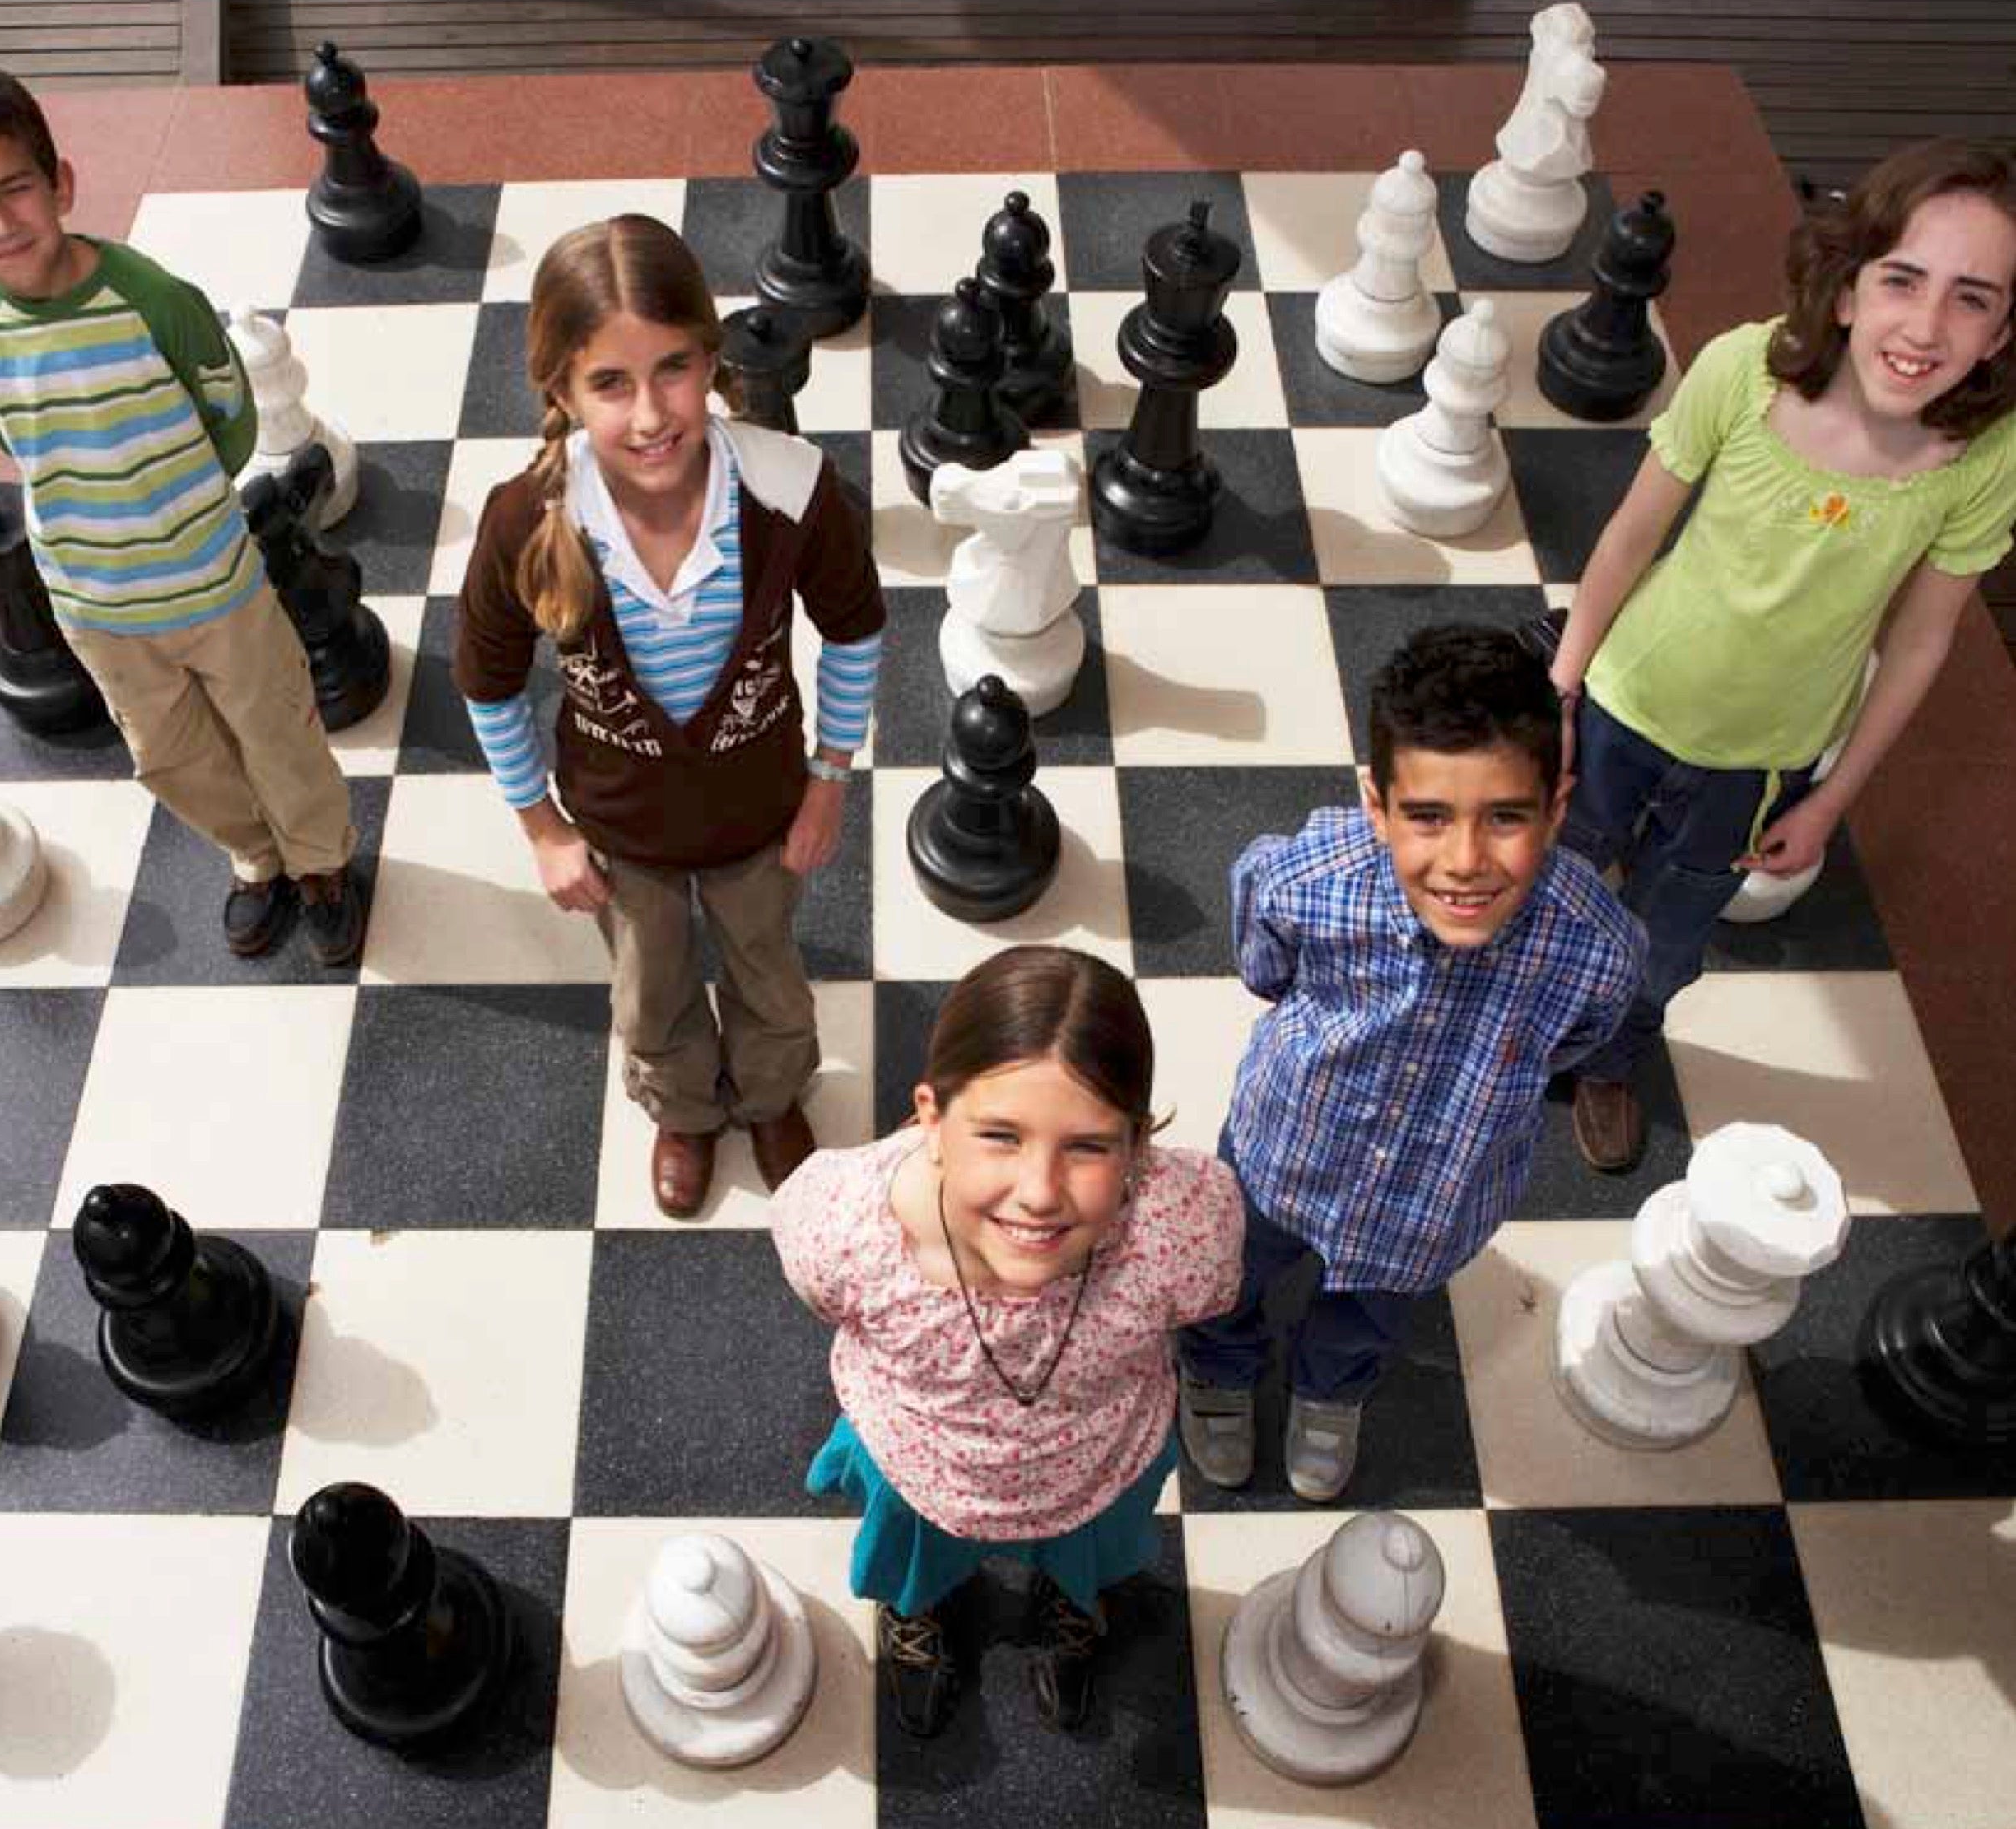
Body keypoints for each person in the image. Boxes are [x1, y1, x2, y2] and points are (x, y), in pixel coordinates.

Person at [1550, 137, 2016, 1172]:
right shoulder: (1740, 371)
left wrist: (1829, 798)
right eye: (1904, 279)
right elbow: (1631, 536)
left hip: (1761, 763)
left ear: (2001, 333)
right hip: (1625, 702)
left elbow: (1922, 639)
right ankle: (1508, 1023)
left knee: (1665, 945)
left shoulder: (1988, 456)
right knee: (1554, 887)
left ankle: (1614, 1054)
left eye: (1972, 298)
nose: (1927, 325)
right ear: (1848, 289)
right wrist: (1565, 681)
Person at [454, 215, 883, 1217]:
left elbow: (855, 631)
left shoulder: (790, 487)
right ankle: (685, 1108)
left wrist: (830, 777)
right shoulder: (526, 517)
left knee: (768, 971)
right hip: (619, 828)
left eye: (674, 369)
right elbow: (488, 681)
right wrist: (541, 825)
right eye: (610, 383)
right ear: (561, 390)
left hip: (763, 805)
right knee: (650, 990)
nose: (651, 414)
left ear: (710, 358)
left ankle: (773, 1093)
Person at [1178, 626, 1643, 1504]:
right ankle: (1215, 1365)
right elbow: (1265, 964)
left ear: (1556, 806)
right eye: (1427, 814)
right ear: (1376, 802)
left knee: (1371, 1312)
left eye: (1506, 815)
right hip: (1285, 1149)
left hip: (1437, 1195)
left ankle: (1331, 1389)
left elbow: (1578, 1040)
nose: (1465, 860)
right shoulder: (1306, 879)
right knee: (1228, 1272)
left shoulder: (1598, 948)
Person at [0, 58, 362, 963]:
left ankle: (321, 865)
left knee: (279, 733)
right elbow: (19, 434)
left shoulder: (152, 298)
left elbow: (230, 422)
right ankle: (257, 857)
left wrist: (174, 499)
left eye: (17, 190)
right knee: (172, 759)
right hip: (97, 607)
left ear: (62, 184)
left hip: (215, 584)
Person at [770, 945, 1242, 1738]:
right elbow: (818, 1289)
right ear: (931, 1118)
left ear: (1138, 1142)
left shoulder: (1184, 1225)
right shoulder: (845, 1228)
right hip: (923, 1467)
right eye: (1000, 1136)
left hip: (1098, 1465)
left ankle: (1072, 1607)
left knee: (1087, 1563)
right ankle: (917, 1616)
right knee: (914, 1568)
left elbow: (1209, 1289)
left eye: (1088, 1145)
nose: (1039, 1194)